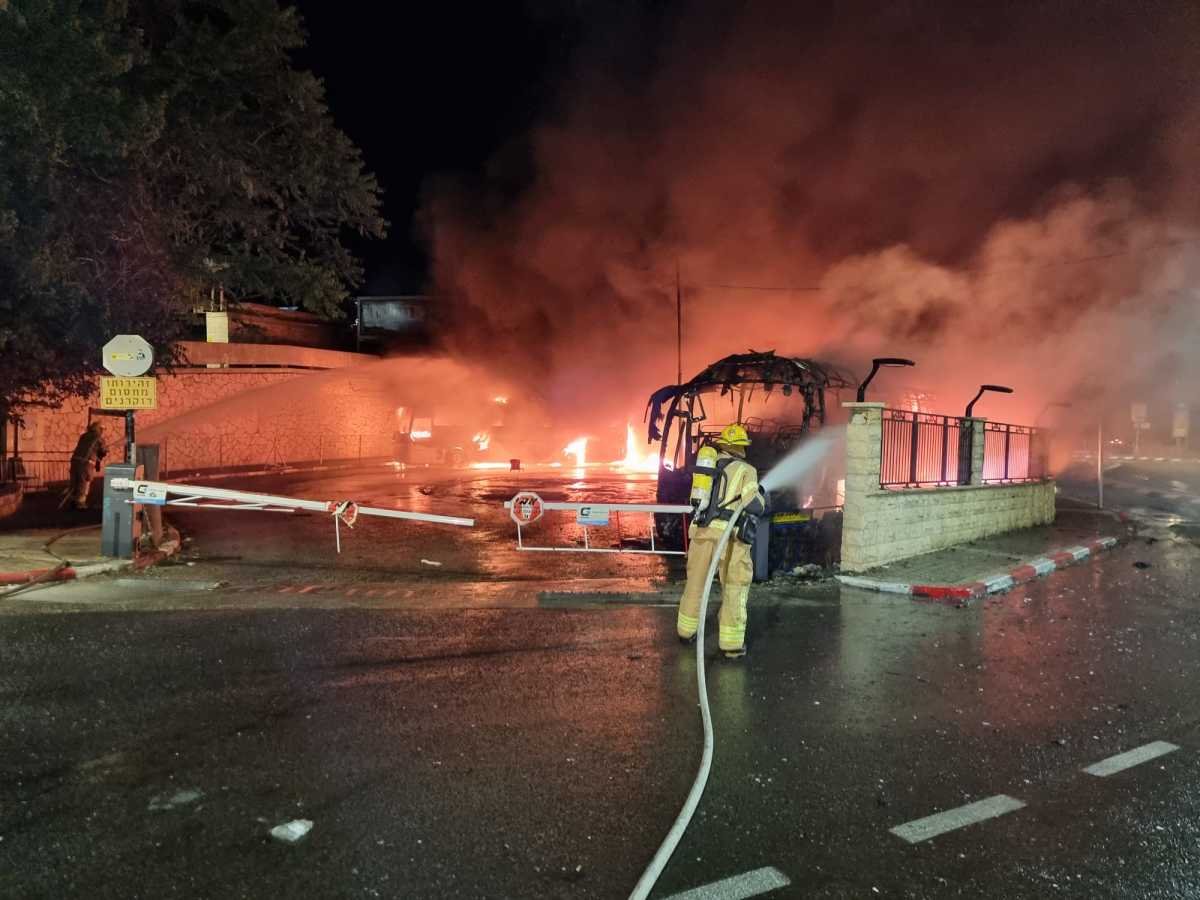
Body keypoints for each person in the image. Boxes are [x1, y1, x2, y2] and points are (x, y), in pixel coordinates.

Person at [676, 423, 766, 659]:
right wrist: (763, 497)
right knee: (735, 586)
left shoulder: (707, 467)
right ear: (741, 447)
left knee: (695, 584)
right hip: (729, 538)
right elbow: (753, 504)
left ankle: (685, 631)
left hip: (701, 533)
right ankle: (731, 644)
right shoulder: (747, 470)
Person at [67, 421, 107, 509]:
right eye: (102, 429)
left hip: (75, 461)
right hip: (86, 463)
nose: (103, 431)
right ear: (99, 429)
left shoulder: (83, 436)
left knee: (75, 481)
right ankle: (80, 503)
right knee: (84, 482)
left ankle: (72, 501)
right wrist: (105, 450)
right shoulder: (99, 438)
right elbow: (103, 451)